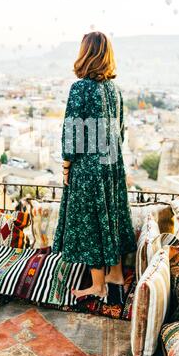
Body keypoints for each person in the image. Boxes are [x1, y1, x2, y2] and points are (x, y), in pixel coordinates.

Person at [52, 31, 137, 300]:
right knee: (109, 217)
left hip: (88, 167)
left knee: (90, 222)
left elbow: (72, 132)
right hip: (112, 164)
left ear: (85, 53)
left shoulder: (80, 88)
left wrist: (67, 165)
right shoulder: (115, 90)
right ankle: (116, 279)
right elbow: (120, 132)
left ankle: (98, 286)